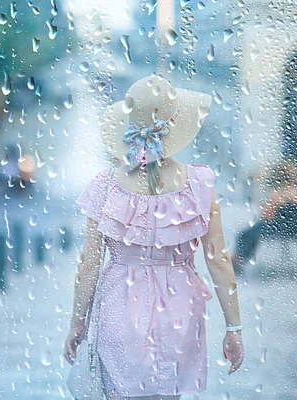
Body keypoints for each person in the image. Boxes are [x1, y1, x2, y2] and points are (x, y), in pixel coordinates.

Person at [64, 75, 244, 399]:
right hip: (180, 314)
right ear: (175, 126)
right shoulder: (199, 185)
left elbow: (88, 265)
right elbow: (218, 260)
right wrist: (234, 328)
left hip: (119, 310)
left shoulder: (106, 186)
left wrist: (76, 325)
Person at [231, 158, 297, 272]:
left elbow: (267, 215)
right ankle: (239, 260)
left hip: (276, 229)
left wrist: (262, 207)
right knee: (254, 233)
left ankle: (238, 261)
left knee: (245, 234)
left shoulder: (276, 193)